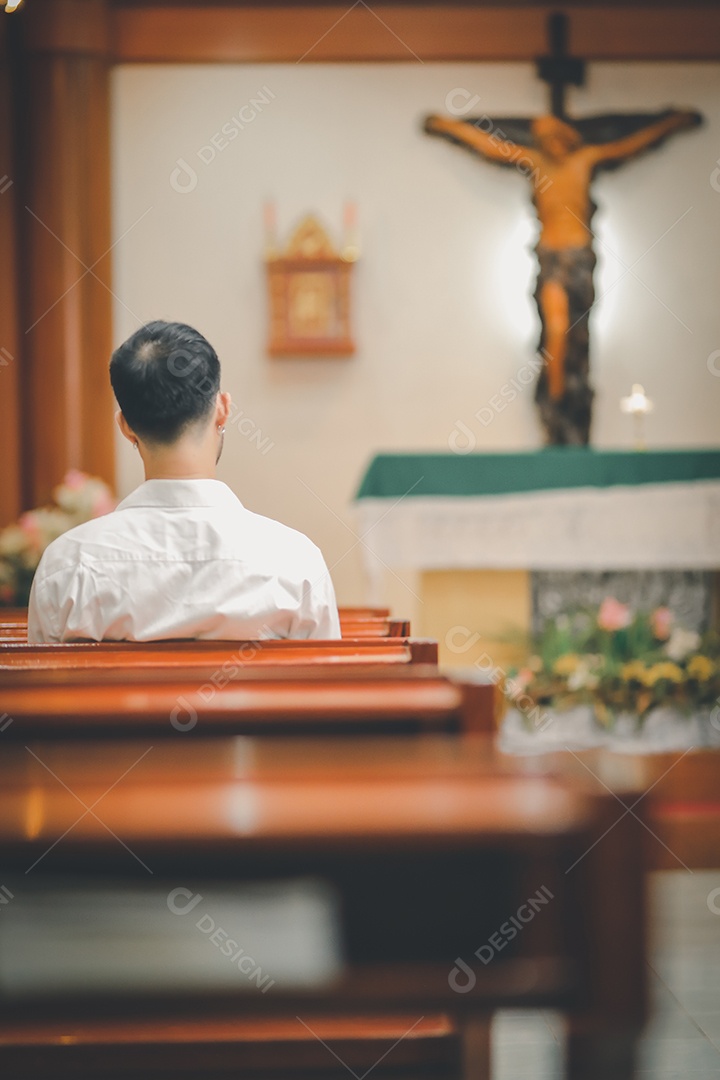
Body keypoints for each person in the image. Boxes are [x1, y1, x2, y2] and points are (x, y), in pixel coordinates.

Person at [28, 321, 341, 642]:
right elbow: (327, 685)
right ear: (222, 409)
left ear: (125, 426)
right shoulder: (295, 561)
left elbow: (41, 685)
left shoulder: (67, 565)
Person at [424, 108, 701, 442]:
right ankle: (554, 396)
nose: (551, 145)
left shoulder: (585, 160)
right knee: (555, 328)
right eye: (544, 140)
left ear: (568, 139)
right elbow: (488, 145)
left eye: (556, 138)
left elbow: (629, 145)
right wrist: (448, 126)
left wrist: (669, 124)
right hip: (551, 257)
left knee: (577, 338)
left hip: (581, 258)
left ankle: (570, 402)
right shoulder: (534, 163)